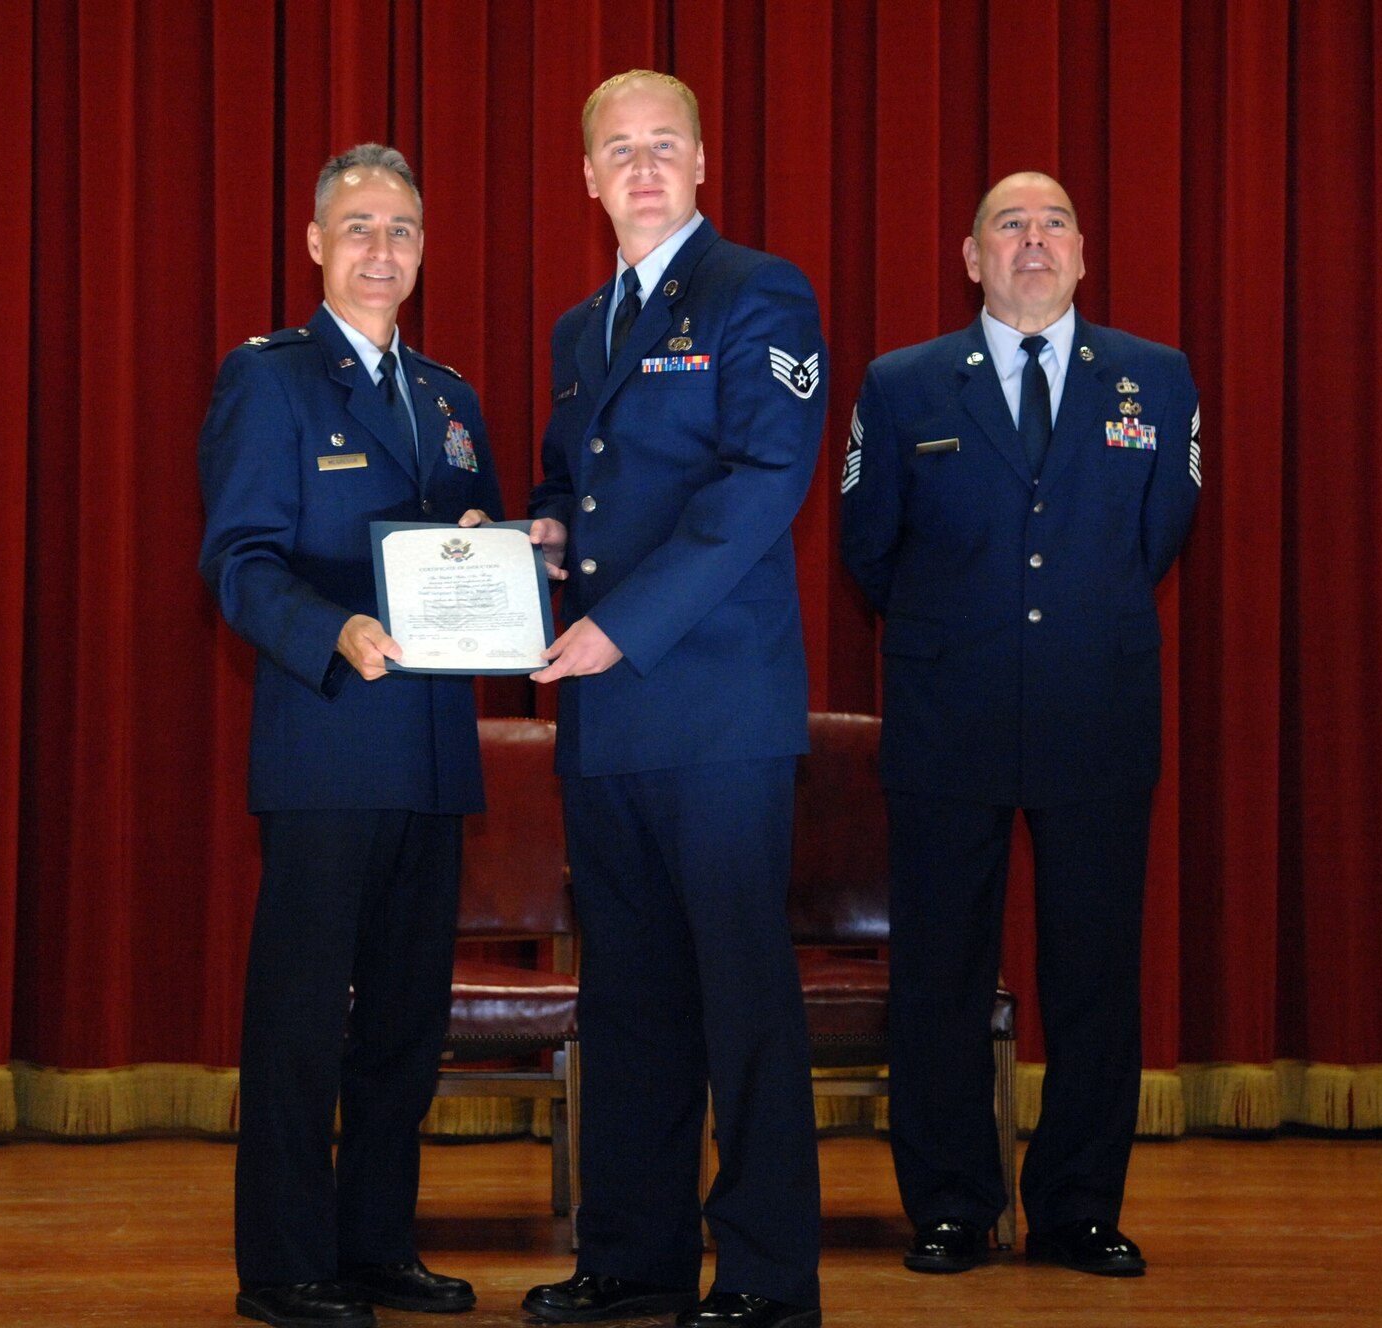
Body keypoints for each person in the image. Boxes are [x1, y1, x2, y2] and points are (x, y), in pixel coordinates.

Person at [839, 171, 1201, 1279]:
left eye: (1053, 224)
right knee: (940, 974)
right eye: (1009, 224)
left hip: (1096, 709)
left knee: (1093, 974)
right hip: (947, 712)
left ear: (1083, 254)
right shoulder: (902, 384)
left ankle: (1078, 1208)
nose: (1032, 240)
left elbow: (1160, 532)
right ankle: (951, 1204)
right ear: (971, 256)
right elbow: (868, 546)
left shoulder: (1154, 377)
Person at [516, 70, 826, 1328]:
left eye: (662, 146)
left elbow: (761, 482)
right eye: (617, 150)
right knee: (629, 998)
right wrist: (541, 532)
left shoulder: (759, 291)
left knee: (740, 997)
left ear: (700, 162)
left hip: (714, 715)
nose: (640, 168)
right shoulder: (577, 328)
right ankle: (631, 1257)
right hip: (604, 720)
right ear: (586, 177)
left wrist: (618, 626)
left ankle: (763, 1272)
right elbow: (573, 481)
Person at [197, 143, 503, 1328]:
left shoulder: (450, 396)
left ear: (423, 250)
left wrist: (508, 555)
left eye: (403, 229)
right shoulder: (268, 378)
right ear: (318, 244)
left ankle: (376, 1245)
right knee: (300, 1021)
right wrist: (331, 628)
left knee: (403, 1026)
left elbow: (463, 549)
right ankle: (284, 1264)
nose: (383, 249)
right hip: (326, 742)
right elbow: (239, 560)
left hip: (432, 754)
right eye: (361, 227)